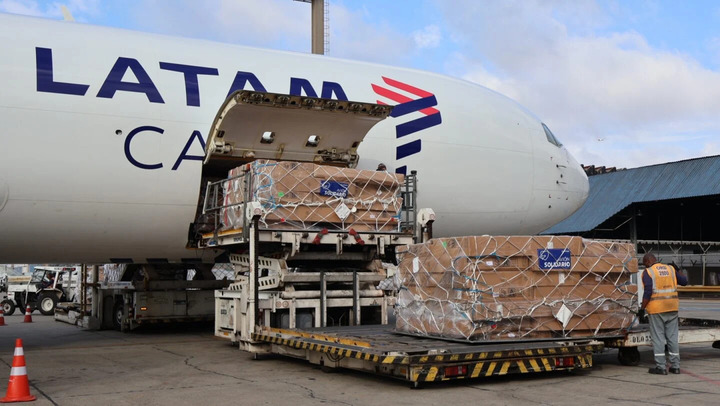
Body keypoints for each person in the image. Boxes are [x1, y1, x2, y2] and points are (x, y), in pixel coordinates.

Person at [640, 253, 688, 375]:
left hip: (657, 309)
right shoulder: (670, 269)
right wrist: (678, 270)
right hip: (672, 307)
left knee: (658, 338)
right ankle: (675, 366)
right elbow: (684, 281)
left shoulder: (648, 272)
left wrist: (642, 308)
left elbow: (648, 291)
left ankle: (661, 367)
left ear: (647, 262)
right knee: (672, 338)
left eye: (644, 263)